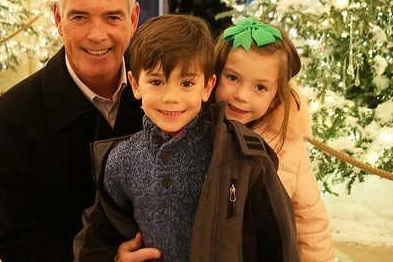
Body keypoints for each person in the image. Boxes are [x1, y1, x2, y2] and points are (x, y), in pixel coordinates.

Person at [0, 0, 156, 261]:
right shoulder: (13, 118)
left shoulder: (167, 99)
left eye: (112, 17)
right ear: (59, 18)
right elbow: (11, 232)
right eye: (80, 17)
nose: (96, 35)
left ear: (133, 18)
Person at [73, 14, 301, 261]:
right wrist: (112, 257)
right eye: (157, 82)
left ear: (207, 87)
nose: (171, 97)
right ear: (136, 84)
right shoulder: (122, 160)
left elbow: (278, 243)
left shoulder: (243, 156)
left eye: (186, 83)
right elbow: (98, 233)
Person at [213, 17, 336, 262]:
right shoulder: (198, 133)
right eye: (233, 78)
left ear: (277, 95)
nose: (241, 96)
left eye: (260, 87)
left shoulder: (289, 147)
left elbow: (310, 223)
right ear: (215, 74)